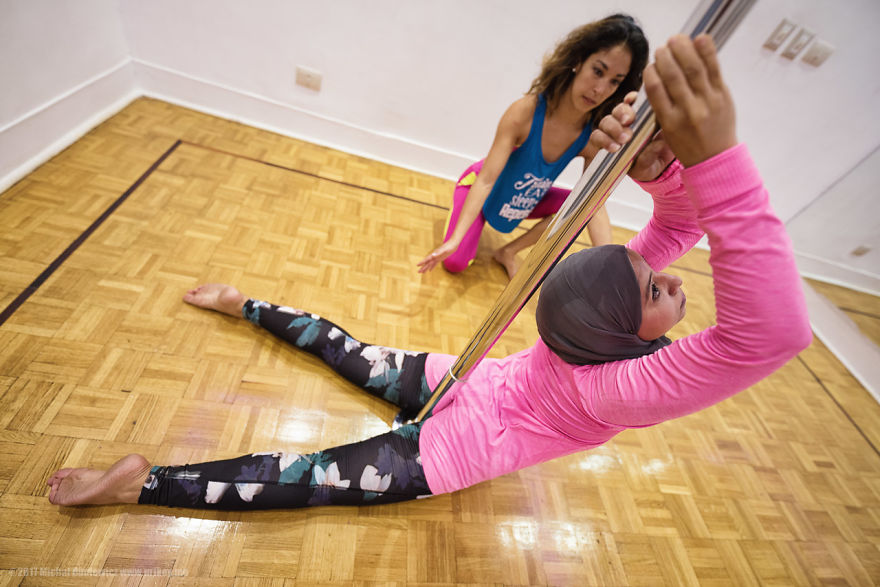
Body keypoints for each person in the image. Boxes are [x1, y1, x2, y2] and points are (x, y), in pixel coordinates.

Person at [47, 34, 812, 510]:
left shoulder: (621, 363)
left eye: (657, 285)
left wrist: (687, 163)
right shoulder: (626, 356)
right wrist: (690, 163)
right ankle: (246, 304)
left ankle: (142, 481)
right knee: (347, 349)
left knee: (308, 475)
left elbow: (713, 272)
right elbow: (727, 287)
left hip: (464, 441)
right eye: (656, 284)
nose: (676, 280)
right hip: (474, 379)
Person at [417, 14, 648, 279]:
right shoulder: (525, 112)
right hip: (481, 186)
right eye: (598, 71)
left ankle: (507, 252)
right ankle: (460, 228)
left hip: (525, 198)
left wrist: (611, 267)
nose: (600, 89)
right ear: (578, 61)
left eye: (615, 81)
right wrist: (455, 240)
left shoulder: (591, 136)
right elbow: (487, 180)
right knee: (455, 263)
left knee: (578, 205)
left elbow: (593, 204)